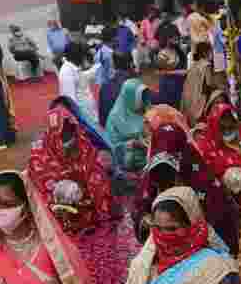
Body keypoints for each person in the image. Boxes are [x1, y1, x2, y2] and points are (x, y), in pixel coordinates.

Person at [135, 112, 239, 253]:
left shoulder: (201, 178)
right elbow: (140, 209)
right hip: (162, 247)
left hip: (201, 250)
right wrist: (147, 220)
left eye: (171, 154)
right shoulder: (152, 174)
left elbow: (219, 219)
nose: (165, 162)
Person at [27, 101, 113, 234]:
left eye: (72, 132)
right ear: (53, 134)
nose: (70, 138)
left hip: (86, 206)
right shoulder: (39, 158)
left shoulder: (83, 143)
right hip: (59, 212)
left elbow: (97, 175)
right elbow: (43, 197)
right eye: (63, 135)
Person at [192, 102, 241, 215]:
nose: (227, 131)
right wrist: (223, 184)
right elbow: (202, 178)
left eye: (231, 127)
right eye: (222, 128)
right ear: (214, 126)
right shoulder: (206, 147)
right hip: (221, 204)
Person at [105, 78, 152, 174]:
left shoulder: (145, 110)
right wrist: (130, 144)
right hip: (127, 163)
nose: (143, 100)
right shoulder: (115, 117)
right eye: (140, 97)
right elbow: (111, 146)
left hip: (148, 155)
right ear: (130, 97)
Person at [58, 42, 102, 131]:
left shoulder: (73, 68)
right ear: (76, 56)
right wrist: (79, 123)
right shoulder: (66, 72)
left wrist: (98, 66)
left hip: (88, 115)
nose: (83, 58)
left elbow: (83, 77)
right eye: (82, 56)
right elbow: (70, 101)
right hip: (83, 119)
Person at [180, 41, 216, 127]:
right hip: (201, 101)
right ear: (205, 53)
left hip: (189, 101)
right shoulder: (207, 65)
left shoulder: (193, 65)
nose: (212, 54)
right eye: (211, 51)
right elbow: (209, 84)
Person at [99, 52, 133, 128]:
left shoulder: (105, 86)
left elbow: (102, 118)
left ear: (114, 65)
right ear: (131, 64)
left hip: (107, 132)